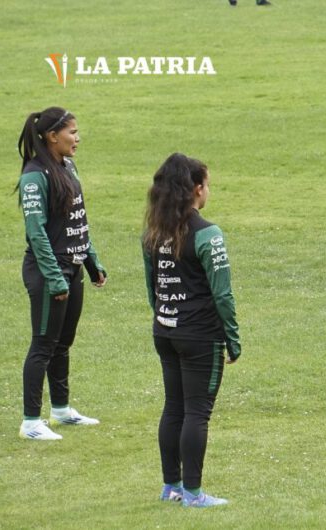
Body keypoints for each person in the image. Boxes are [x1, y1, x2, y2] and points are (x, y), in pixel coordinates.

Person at [143, 153, 241, 507]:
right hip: (200, 335)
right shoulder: (208, 234)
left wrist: (165, 316)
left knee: (174, 408)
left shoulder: (153, 232)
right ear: (197, 190)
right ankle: (194, 494)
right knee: (197, 412)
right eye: (207, 184)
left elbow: (152, 286)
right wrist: (232, 337)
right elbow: (222, 293)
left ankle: (171, 486)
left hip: (165, 332)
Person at [16, 107, 107, 441]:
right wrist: (54, 277)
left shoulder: (68, 166)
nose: (77, 138)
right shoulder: (34, 176)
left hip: (72, 265)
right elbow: (36, 232)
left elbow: (77, 219)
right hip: (47, 270)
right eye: (72, 132)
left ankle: (61, 410)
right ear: (52, 136)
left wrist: (91, 261)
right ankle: (30, 422)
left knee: (63, 342)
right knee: (43, 344)